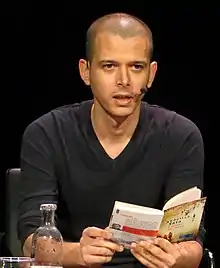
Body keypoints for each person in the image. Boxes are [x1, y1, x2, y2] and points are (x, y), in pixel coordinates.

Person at [17, 12, 205, 268]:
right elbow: (30, 243)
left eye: (136, 67)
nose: (124, 81)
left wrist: (176, 257)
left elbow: (193, 247)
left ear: (151, 74)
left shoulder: (182, 136)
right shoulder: (46, 134)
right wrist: (77, 254)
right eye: (109, 66)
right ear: (86, 71)